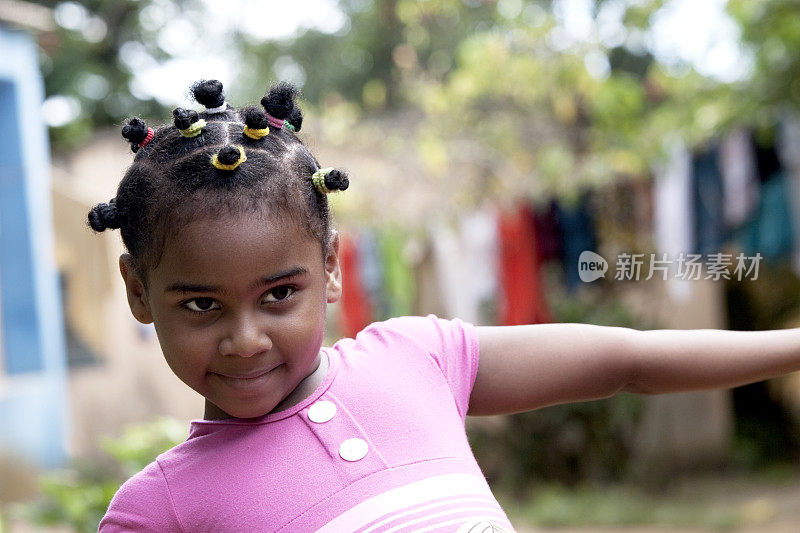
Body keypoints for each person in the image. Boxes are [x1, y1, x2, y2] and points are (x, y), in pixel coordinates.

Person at [93, 80, 800, 533]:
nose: (245, 338)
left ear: (330, 270)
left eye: (280, 293)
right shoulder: (160, 510)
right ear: (138, 290)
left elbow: (628, 359)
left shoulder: (416, 357)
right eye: (203, 305)